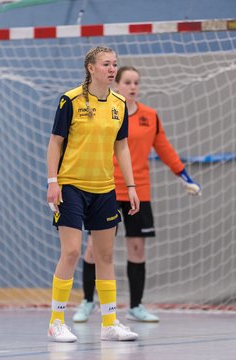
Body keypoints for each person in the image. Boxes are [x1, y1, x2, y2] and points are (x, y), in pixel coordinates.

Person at [72, 66, 201, 324]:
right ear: (117, 85)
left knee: (137, 248)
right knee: (93, 249)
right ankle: (88, 301)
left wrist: (184, 176)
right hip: (105, 188)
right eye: (127, 82)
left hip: (138, 191)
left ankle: (136, 306)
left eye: (136, 82)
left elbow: (164, 149)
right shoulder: (106, 112)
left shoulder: (150, 116)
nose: (132, 87)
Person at [46, 49, 140, 342]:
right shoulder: (70, 99)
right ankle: (56, 321)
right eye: (106, 64)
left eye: (114, 64)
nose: (112, 69)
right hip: (71, 186)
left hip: (105, 189)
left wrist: (132, 186)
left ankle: (110, 323)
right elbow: (55, 142)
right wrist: (53, 181)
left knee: (106, 254)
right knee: (72, 251)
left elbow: (121, 146)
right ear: (91, 68)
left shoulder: (120, 103)